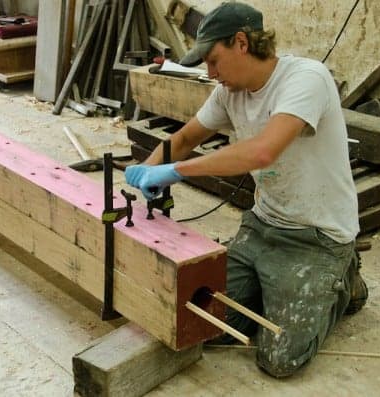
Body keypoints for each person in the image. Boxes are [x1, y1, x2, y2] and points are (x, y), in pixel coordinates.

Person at [125, 1, 367, 377]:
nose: (210, 72)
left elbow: (263, 151)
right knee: (202, 325)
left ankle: (345, 277)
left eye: (213, 60)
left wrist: (176, 171)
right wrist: (147, 169)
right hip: (261, 226)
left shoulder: (306, 79)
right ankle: (274, 285)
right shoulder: (228, 91)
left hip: (317, 237)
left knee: (280, 359)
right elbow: (188, 136)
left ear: (241, 42)